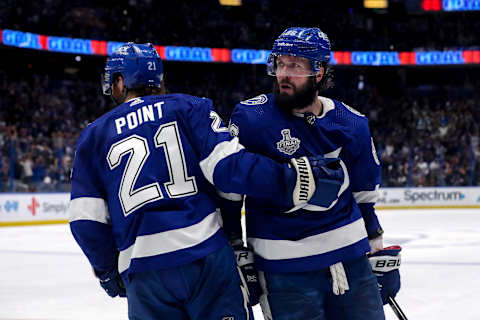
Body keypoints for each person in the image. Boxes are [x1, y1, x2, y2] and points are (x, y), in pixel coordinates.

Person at [67, 42, 345, 320]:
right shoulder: (190, 107)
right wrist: (293, 179)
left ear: (119, 81)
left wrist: (108, 272)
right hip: (205, 256)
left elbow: (85, 220)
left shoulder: (93, 136)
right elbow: (229, 168)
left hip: (145, 270)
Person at [224, 27, 387, 320]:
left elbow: (364, 193)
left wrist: (375, 244)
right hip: (284, 270)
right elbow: (230, 191)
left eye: (296, 66)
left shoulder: (351, 123)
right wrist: (235, 246)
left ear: (320, 72)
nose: (284, 73)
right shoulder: (251, 119)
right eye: (281, 64)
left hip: (351, 260)